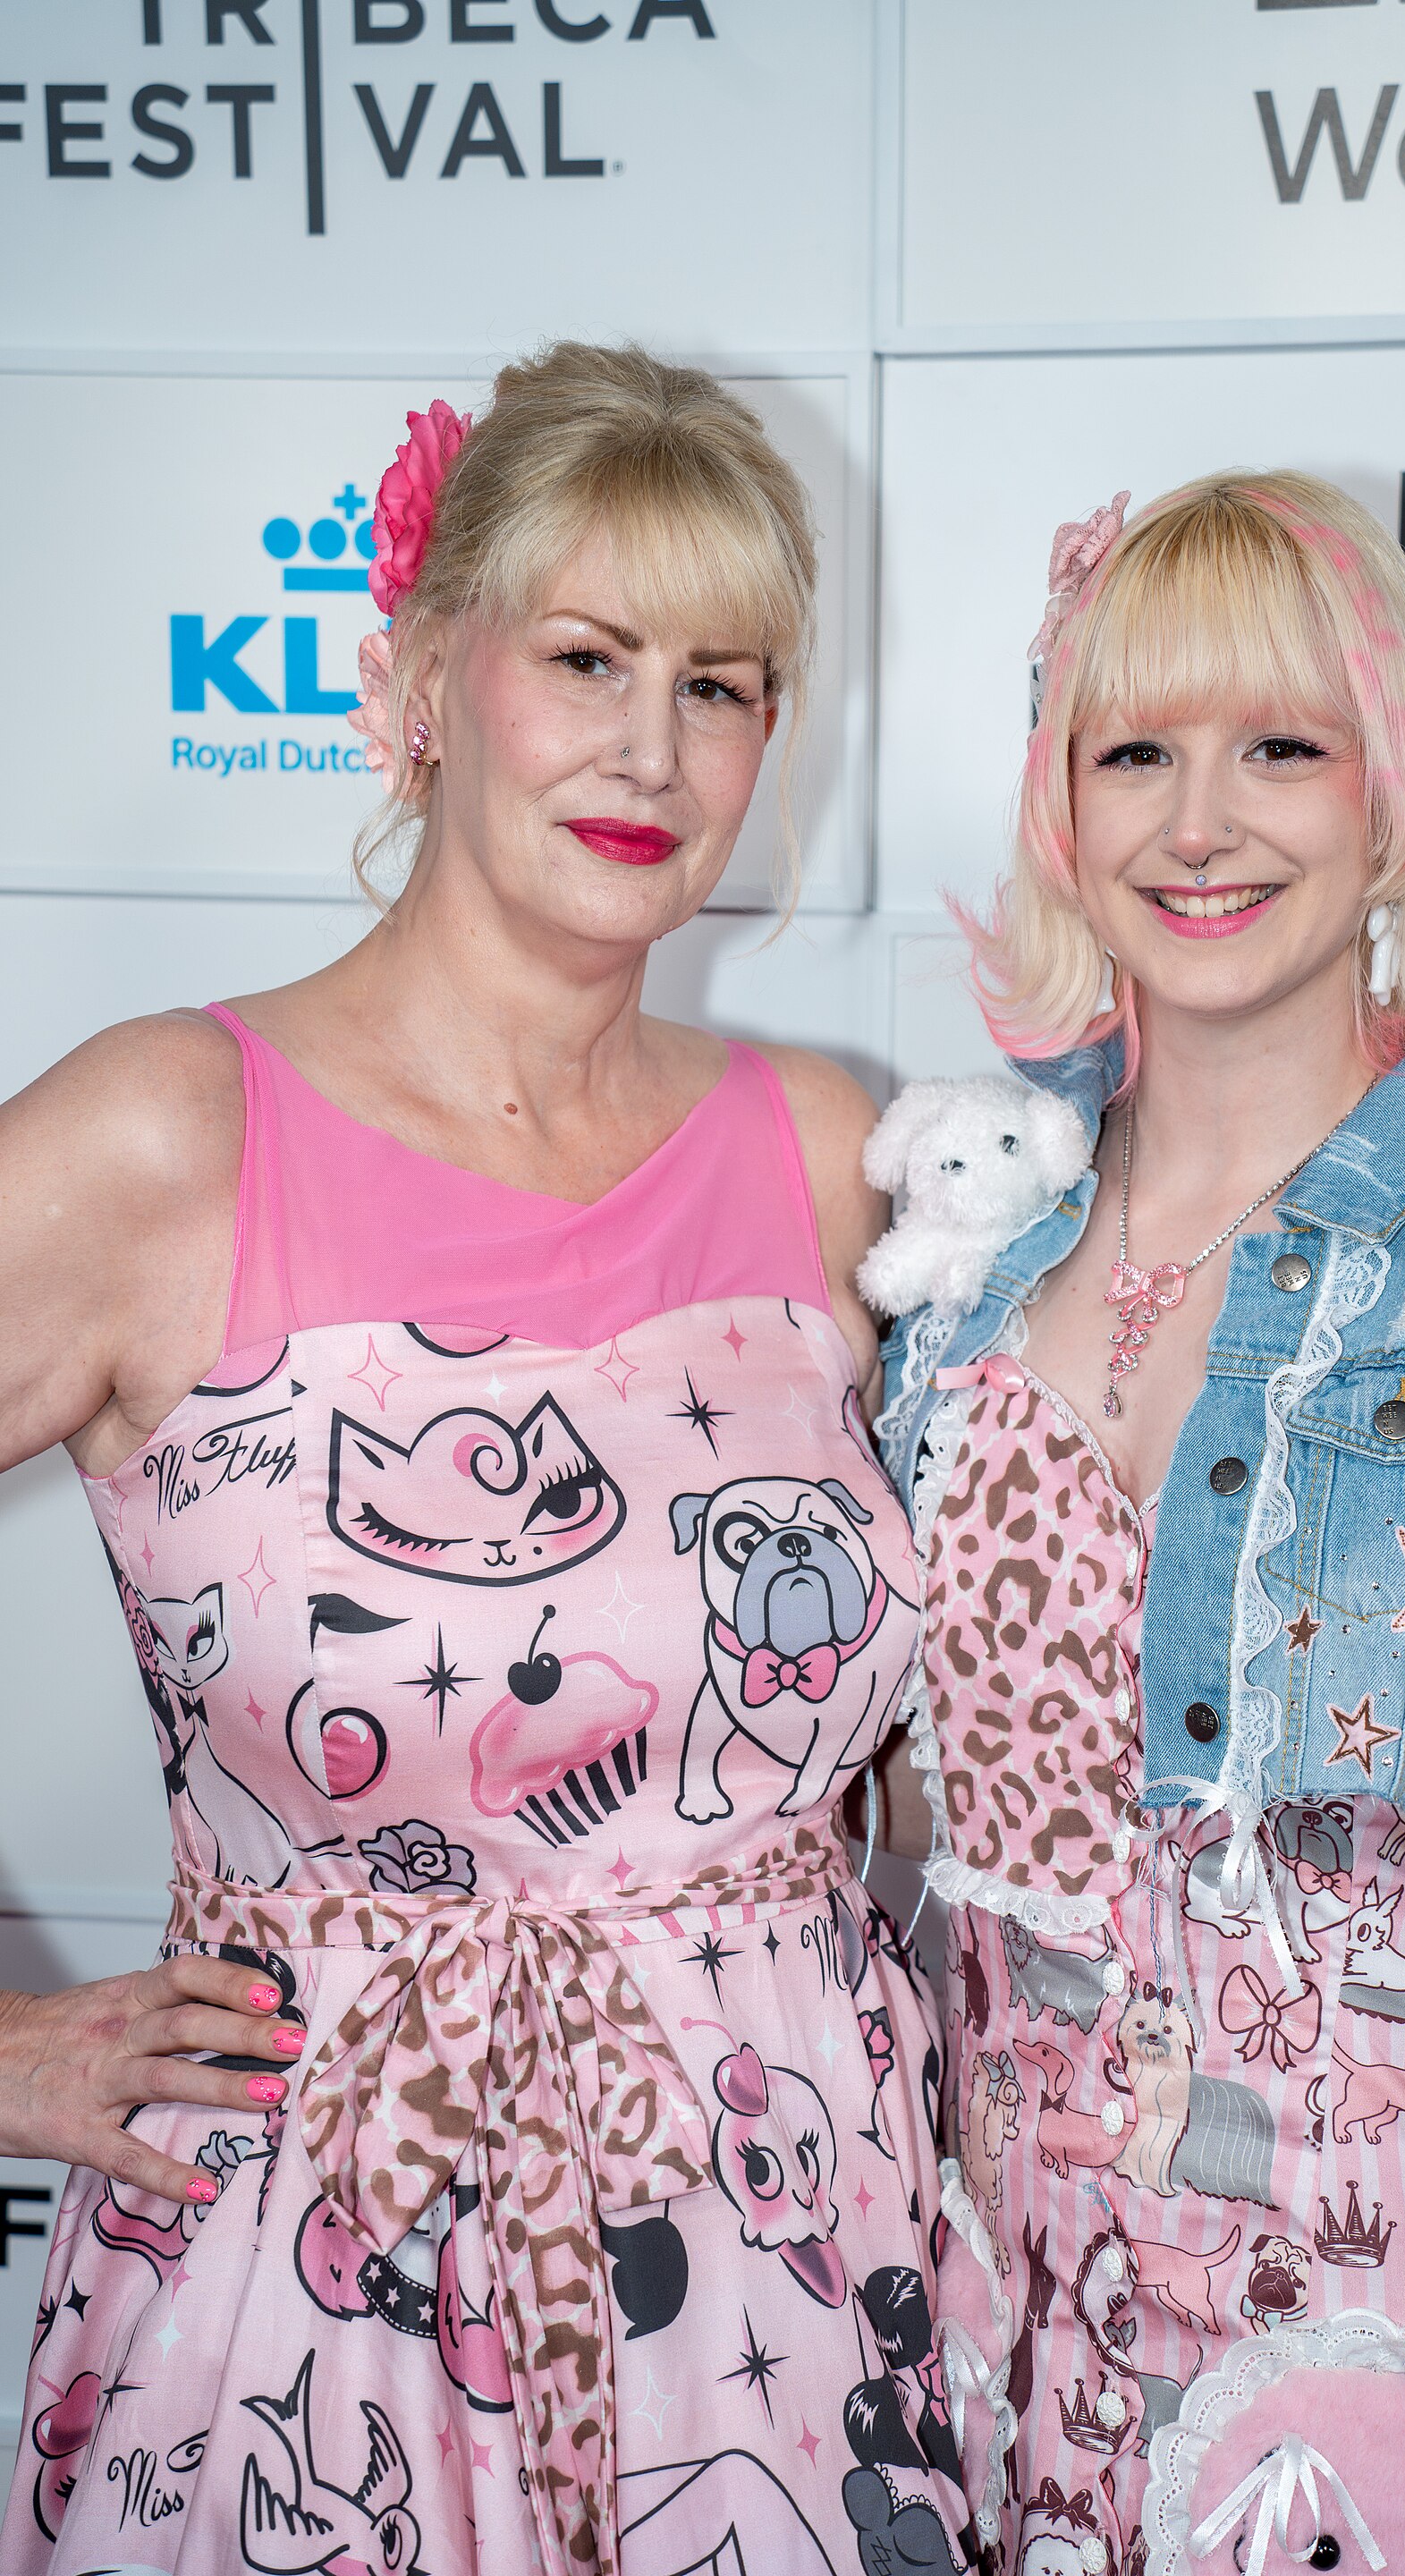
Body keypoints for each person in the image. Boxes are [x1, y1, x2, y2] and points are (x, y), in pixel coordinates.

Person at [0, 343, 968, 2575]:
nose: (655, 748)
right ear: (423, 680)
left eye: (722, 685)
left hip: (797, 2291)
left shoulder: (824, 1151)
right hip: (310, 2314)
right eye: (588, 659)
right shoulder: (171, 1135)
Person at [871, 472, 1405, 2575]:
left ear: (1395, 795)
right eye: (1134, 750)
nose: (1201, 821)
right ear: (1062, 808)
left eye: (1279, 746)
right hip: (993, 2362)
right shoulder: (953, 1260)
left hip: (1392, 2389)